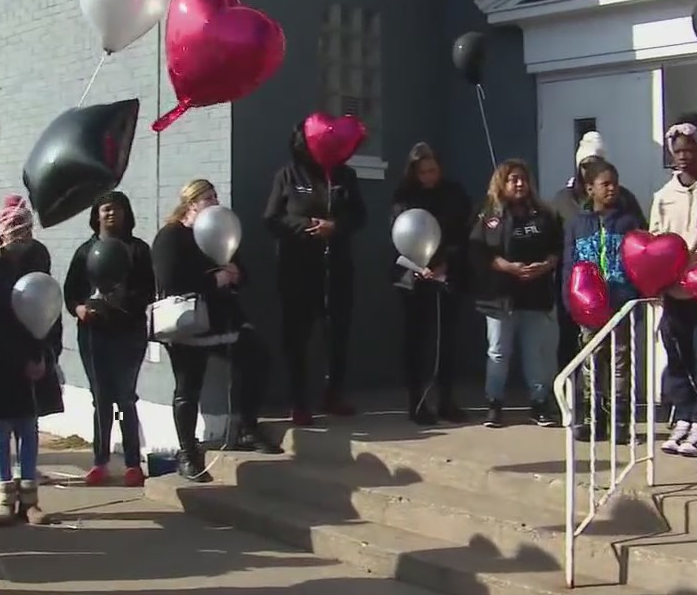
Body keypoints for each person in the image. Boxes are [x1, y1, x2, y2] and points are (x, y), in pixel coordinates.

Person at [154, 180, 282, 483]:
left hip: (224, 319)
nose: (214, 201)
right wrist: (214, 280)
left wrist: (235, 275)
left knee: (256, 357)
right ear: (191, 203)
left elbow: (242, 271)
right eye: (207, 197)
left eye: (215, 196)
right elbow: (169, 283)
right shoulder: (172, 236)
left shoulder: (220, 230)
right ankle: (188, 452)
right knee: (188, 388)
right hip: (188, 323)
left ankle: (247, 426)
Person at [0, 195, 63, 526]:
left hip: (33, 365)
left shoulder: (39, 268)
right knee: (0, 431)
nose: (20, 235)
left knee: (28, 430)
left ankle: (30, 501)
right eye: (13, 229)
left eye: (25, 228)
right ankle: (5, 500)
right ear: (0, 234)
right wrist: (5, 356)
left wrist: (45, 358)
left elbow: (51, 315)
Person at [263, 125, 367, 424]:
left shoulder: (344, 175)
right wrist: (306, 224)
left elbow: (360, 216)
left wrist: (336, 226)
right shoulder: (287, 175)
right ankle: (299, 401)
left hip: (337, 268)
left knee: (337, 334)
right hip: (297, 270)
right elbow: (272, 219)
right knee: (296, 337)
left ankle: (333, 394)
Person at [63, 191, 154, 487]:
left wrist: (122, 303)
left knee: (126, 398)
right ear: (96, 215)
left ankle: (132, 463)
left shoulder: (138, 250)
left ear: (127, 214)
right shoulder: (85, 251)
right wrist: (79, 309)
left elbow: (148, 290)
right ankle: (100, 462)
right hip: (94, 335)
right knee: (101, 399)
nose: (111, 214)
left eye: (117, 209)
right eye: (105, 209)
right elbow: (70, 292)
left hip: (129, 333)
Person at [470, 159, 562, 428]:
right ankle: (494, 403)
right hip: (500, 296)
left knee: (535, 353)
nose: (520, 184)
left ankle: (540, 402)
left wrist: (545, 265)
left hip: (536, 295)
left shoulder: (543, 214)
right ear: (502, 182)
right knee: (498, 351)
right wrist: (507, 267)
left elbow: (557, 246)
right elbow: (478, 251)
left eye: (523, 178)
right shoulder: (488, 213)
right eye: (513, 179)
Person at [550, 133, 645, 377]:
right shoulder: (565, 204)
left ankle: (618, 409)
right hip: (585, 299)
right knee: (588, 354)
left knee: (620, 357)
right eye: (585, 164)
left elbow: (641, 252)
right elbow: (565, 257)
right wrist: (568, 297)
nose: (611, 188)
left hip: (620, 298)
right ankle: (589, 407)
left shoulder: (627, 211)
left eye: (596, 162)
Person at [389, 143, 471, 425]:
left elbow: (464, 231)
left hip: (447, 274)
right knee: (416, 342)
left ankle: (446, 399)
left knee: (445, 341)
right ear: (414, 173)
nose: (429, 176)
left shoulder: (454, 194)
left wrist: (445, 262)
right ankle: (417, 401)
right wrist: (418, 265)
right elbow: (400, 236)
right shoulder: (404, 197)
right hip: (413, 278)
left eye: (433, 170)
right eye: (423, 172)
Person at [561, 158, 642, 442]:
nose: (611, 189)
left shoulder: (629, 221)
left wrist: (638, 298)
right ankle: (594, 420)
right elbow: (569, 266)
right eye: (604, 184)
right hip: (589, 307)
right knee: (592, 363)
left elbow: (640, 261)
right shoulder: (576, 224)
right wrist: (570, 301)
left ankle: (620, 423)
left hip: (621, 304)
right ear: (589, 188)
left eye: (614, 183)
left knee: (621, 363)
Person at [650, 119, 697, 456]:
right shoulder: (663, 196)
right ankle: (684, 417)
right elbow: (655, 241)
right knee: (677, 360)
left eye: (689, 150)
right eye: (677, 151)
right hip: (674, 291)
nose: (683, 157)